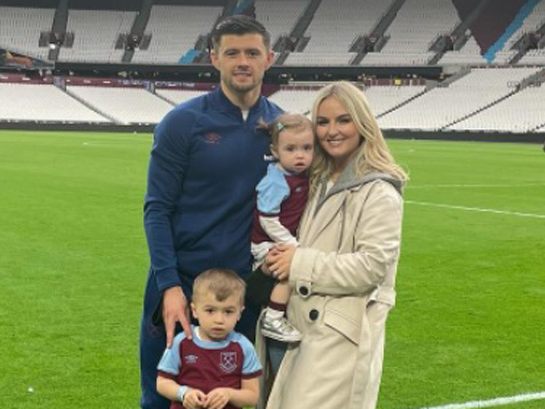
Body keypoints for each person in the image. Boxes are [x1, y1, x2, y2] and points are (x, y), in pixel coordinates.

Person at [140, 15, 281, 409]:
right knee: (161, 396)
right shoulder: (183, 123)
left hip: (247, 293)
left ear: (269, 58)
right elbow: (157, 209)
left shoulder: (282, 129)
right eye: (232, 52)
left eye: (252, 53)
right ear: (214, 58)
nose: (242, 61)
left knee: (240, 399)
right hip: (181, 285)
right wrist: (169, 286)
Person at [263, 81, 407, 409]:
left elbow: (371, 267)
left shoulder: (379, 191)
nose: (332, 131)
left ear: (363, 123)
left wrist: (297, 263)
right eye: (323, 122)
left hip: (338, 338)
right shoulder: (318, 179)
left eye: (344, 120)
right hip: (299, 327)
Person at [156, 269, 262, 409]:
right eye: (210, 311)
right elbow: (162, 383)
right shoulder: (181, 342)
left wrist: (229, 394)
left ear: (239, 313)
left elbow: (252, 396)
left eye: (228, 311)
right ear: (194, 310)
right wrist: (184, 393)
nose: (219, 320)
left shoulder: (243, 347)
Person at [251, 113, 314, 343]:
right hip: (265, 242)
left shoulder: (298, 174)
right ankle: (273, 317)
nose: (300, 155)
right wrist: (292, 244)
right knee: (287, 272)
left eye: (307, 148)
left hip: (279, 237)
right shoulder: (276, 181)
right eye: (291, 149)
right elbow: (267, 220)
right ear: (275, 151)